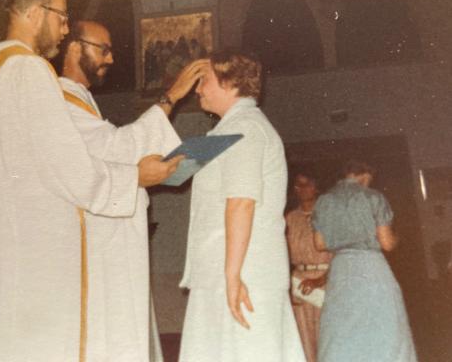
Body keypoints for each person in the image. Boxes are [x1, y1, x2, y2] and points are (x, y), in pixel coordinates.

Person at [0, 0, 182, 361]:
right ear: (32, 12)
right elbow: (68, 167)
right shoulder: (29, 71)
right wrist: (135, 178)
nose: (64, 28)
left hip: (8, 241)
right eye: (60, 17)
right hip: (37, 250)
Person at [58, 20, 205, 361]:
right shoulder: (61, 101)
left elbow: (112, 154)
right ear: (74, 47)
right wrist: (170, 96)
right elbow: (118, 148)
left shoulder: (81, 100)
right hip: (92, 246)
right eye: (103, 49)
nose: (110, 59)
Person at [178, 50, 306, 362]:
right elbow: (168, 172)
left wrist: (233, 276)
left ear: (230, 82)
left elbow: (241, 203)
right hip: (226, 272)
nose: (197, 90)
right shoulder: (225, 130)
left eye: (203, 80)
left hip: (244, 274)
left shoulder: (246, 127)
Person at [312, 161, 417, 362]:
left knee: (342, 329)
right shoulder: (373, 197)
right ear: (364, 175)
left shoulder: (324, 201)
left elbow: (319, 243)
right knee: (384, 326)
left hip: (341, 270)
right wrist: (398, 238)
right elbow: (386, 243)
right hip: (371, 267)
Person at [286, 172, 332, 362]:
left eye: (307, 184)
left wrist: (321, 279)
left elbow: (339, 252)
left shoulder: (329, 214)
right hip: (300, 284)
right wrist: (289, 287)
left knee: (328, 338)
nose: (302, 189)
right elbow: (284, 255)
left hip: (326, 281)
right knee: (304, 341)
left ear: (317, 186)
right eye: (298, 185)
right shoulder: (290, 218)